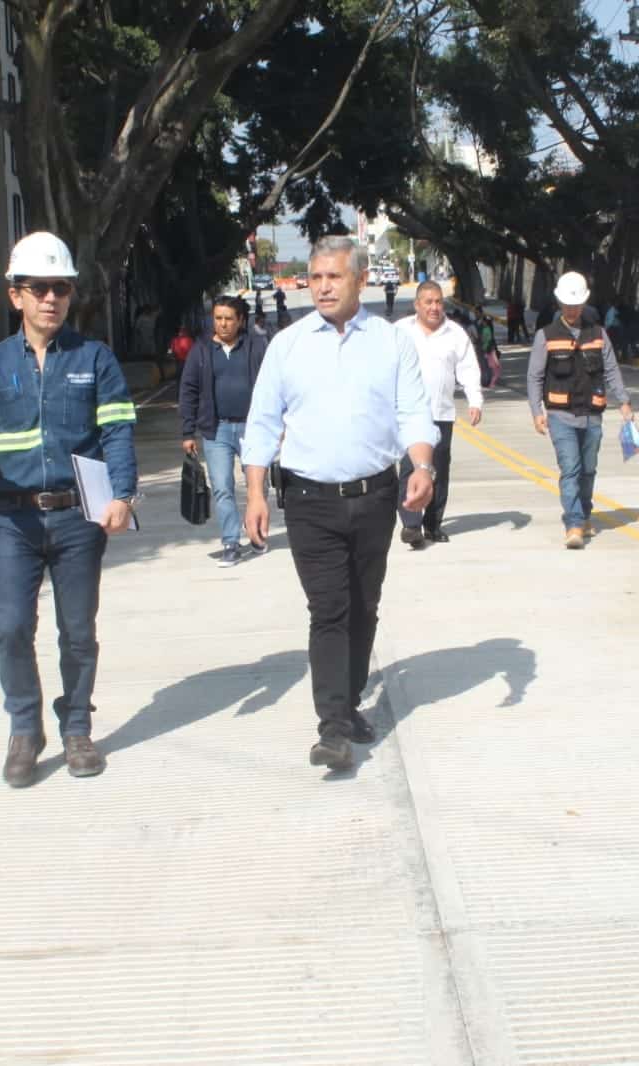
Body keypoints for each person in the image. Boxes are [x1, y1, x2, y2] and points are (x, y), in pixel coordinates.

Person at [0, 232, 138, 787]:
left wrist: (123, 495)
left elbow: (118, 430)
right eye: (39, 288)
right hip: (16, 519)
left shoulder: (94, 358)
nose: (51, 298)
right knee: (10, 627)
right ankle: (25, 730)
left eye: (61, 288)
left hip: (78, 516)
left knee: (77, 630)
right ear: (16, 296)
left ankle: (77, 728)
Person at [241, 236, 438, 772]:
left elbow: (413, 411)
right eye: (316, 277)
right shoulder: (287, 345)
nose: (323, 287)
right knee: (328, 610)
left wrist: (422, 466)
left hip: (375, 496)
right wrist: (255, 494)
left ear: (360, 280)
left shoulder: (391, 342)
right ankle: (331, 728)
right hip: (309, 500)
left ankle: (348, 704)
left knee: (363, 605)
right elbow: (262, 424)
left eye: (334, 276)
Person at [526, 270, 633, 549]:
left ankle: (584, 514)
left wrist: (623, 401)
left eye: (576, 305)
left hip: (592, 415)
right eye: (567, 304)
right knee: (570, 469)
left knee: (588, 470)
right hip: (560, 417)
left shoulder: (598, 334)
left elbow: (611, 370)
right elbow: (535, 377)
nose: (572, 310)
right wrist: (536, 412)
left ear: (584, 303)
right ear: (560, 303)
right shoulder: (546, 336)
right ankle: (573, 523)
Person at [179, 295, 268, 567]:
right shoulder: (201, 351)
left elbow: (272, 386)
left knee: (257, 486)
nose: (223, 323)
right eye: (218, 318)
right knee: (222, 487)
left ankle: (256, 533)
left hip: (252, 430)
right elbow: (188, 390)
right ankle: (231, 542)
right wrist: (187, 432)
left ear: (240, 320)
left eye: (229, 318)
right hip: (216, 430)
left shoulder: (256, 347)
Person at [394, 280, 484, 549]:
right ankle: (411, 524)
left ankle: (433, 525)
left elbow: (468, 368)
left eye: (438, 302)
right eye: (428, 302)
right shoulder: (400, 331)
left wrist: (475, 399)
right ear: (417, 305)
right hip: (408, 414)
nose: (434, 307)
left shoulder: (455, 334)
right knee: (409, 468)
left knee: (438, 471)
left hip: (441, 413)